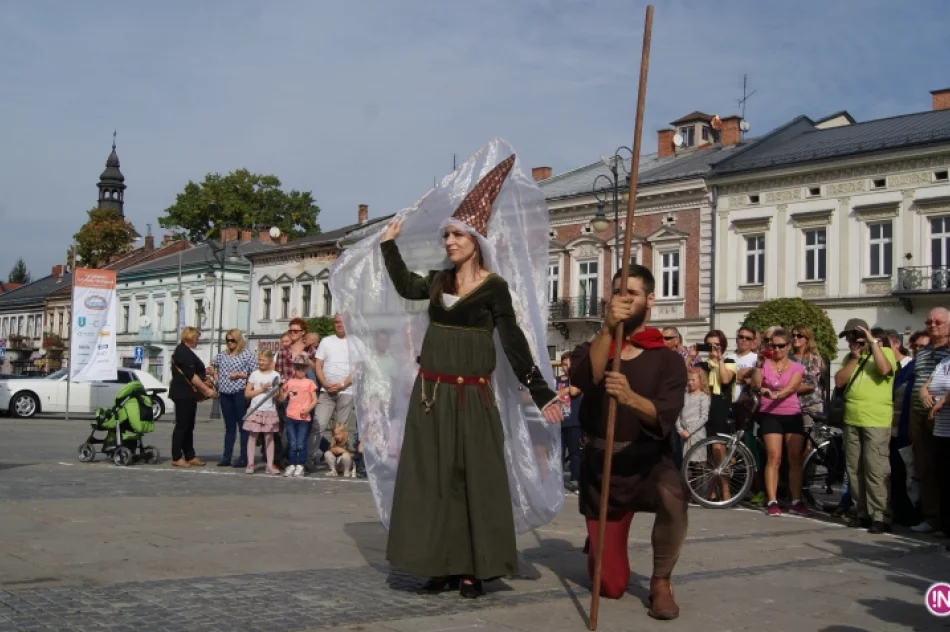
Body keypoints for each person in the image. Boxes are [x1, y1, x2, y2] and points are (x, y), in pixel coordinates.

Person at [378, 153, 563, 600]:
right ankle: (435, 564)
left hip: (472, 399)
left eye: (456, 234)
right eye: (446, 235)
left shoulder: (494, 288)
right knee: (433, 482)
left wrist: (542, 392)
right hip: (431, 398)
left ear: (476, 240)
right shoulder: (439, 282)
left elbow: (513, 342)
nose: (449, 241)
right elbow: (405, 286)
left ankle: (471, 569)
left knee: (473, 481)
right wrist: (388, 246)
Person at [571, 264, 688, 620]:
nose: (623, 299)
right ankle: (599, 544)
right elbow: (587, 377)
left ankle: (661, 581)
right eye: (618, 292)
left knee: (673, 494)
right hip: (603, 468)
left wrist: (631, 398)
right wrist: (607, 329)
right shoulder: (594, 346)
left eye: (632, 293)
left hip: (647, 462)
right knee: (611, 586)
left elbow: (665, 414)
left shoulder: (668, 359)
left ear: (650, 300)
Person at [835, 320, 896, 533]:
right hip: (852, 418)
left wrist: (873, 343)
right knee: (854, 469)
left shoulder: (884, 352)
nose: (852, 341)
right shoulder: (850, 357)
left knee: (875, 468)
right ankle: (862, 512)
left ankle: (880, 515)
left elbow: (884, 369)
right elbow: (839, 381)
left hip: (876, 420)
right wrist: (854, 358)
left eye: (855, 337)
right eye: (849, 338)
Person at [753, 328, 808, 517]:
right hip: (770, 413)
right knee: (774, 457)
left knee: (794, 458)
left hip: (792, 413)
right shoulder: (765, 364)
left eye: (781, 346)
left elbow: (792, 387)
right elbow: (756, 384)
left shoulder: (796, 367)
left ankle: (796, 500)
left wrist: (776, 394)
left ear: (789, 346)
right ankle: (772, 500)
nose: (776, 350)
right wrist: (758, 368)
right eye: (773, 346)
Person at [910, 308, 950, 534]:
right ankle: (931, 516)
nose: (932, 325)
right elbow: (921, 380)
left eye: (938, 322)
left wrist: (939, 399)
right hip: (918, 412)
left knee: (941, 467)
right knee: (924, 465)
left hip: (942, 415)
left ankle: (943, 519)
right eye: (929, 322)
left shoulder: (948, 351)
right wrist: (923, 394)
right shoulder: (923, 351)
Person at [688, 330, 736, 502]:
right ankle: (711, 492)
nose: (713, 348)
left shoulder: (729, 362)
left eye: (716, 344)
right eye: (709, 345)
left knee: (719, 449)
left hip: (720, 407)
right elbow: (685, 378)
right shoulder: (702, 365)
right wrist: (690, 357)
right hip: (703, 407)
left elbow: (725, 379)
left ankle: (726, 490)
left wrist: (720, 358)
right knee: (707, 451)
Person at [209, 328, 258, 467]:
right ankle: (226, 457)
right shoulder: (222, 355)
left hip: (239, 392)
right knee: (229, 427)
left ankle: (244, 457)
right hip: (225, 393)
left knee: (243, 426)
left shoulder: (247, 355)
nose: (230, 343)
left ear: (238, 340)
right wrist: (215, 375)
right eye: (228, 340)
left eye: (233, 340)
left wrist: (240, 375)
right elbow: (212, 365)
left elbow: (255, 374)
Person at [312, 314, 357, 466]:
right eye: (337, 322)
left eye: (342, 322)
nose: (339, 324)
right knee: (318, 425)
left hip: (346, 391)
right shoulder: (326, 341)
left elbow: (358, 368)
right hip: (326, 391)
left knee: (341, 429)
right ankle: (309, 458)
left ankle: (339, 461)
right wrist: (325, 384)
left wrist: (343, 384)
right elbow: (318, 365)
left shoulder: (355, 342)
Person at [169, 327, 215, 468]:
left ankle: (189, 455)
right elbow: (191, 375)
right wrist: (206, 389)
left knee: (189, 425)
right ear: (188, 337)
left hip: (188, 394)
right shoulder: (182, 352)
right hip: (182, 393)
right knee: (182, 425)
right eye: (196, 337)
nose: (197, 340)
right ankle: (177, 456)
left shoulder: (187, 352)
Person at [244, 349, 282, 475]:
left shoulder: (275, 375)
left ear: (270, 361)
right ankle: (250, 463)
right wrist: (261, 389)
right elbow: (247, 393)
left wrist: (275, 390)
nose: (260, 362)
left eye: (263, 360)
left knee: (269, 437)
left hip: (269, 410)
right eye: (259, 360)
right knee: (253, 436)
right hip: (256, 409)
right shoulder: (254, 374)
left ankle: (270, 464)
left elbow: (277, 395)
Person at [280, 355, 318, 477]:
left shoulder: (310, 383)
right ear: (294, 368)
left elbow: (315, 400)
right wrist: (280, 387)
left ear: (306, 369)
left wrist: (308, 409)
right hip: (291, 416)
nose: (300, 370)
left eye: (302, 368)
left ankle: (301, 465)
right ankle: (292, 464)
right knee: (292, 443)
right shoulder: (290, 382)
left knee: (301, 443)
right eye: (297, 368)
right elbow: (282, 398)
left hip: (303, 418)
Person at [790, 324, 826, 435]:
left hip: (810, 406)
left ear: (807, 338)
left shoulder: (814, 358)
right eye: (793, 335)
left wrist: (785, 389)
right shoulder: (789, 358)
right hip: (791, 406)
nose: (795, 338)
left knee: (810, 440)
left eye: (799, 335)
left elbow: (811, 384)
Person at [557, 352, 583, 493]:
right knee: (558, 453)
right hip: (558, 421)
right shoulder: (557, 380)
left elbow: (573, 391)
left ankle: (575, 479)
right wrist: (561, 392)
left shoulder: (577, 380)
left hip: (574, 422)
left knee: (574, 453)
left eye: (569, 364)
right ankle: (557, 480)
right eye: (564, 364)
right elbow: (551, 393)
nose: (566, 367)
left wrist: (561, 392)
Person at [676, 368, 709, 469]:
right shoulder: (684, 396)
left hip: (696, 435)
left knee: (698, 464)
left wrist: (689, 431)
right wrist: (680, 429)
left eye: (693, 380)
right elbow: (677, 414)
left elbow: (704, 417)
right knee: (686, 464)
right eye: (688, 380)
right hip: (684, 436)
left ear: (701, 380)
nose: (690, 382)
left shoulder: (703, 397)